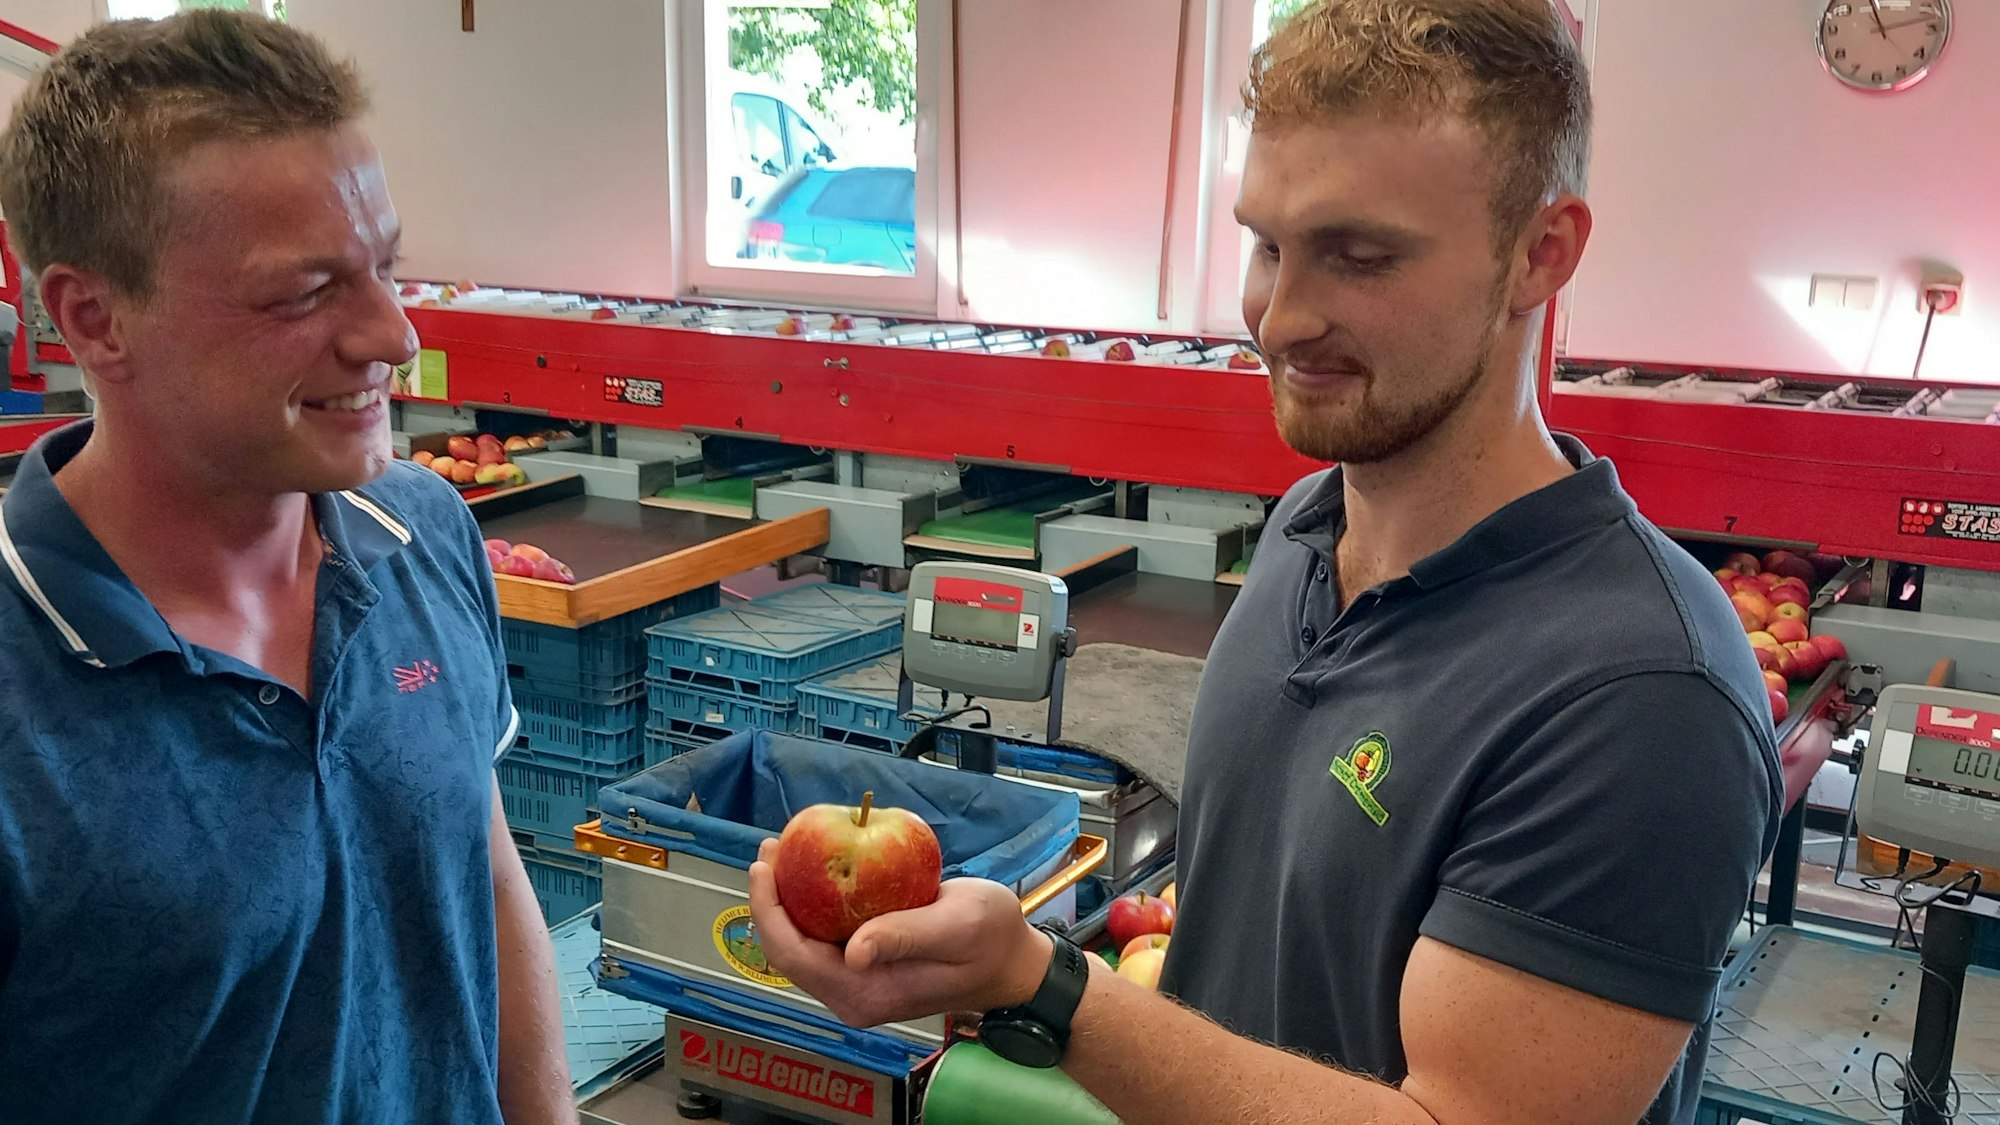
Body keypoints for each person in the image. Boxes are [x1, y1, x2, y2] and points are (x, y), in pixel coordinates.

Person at [747, 1, 1783, 1122]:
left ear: (1540, 253)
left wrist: (1048, 988)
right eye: (1266, 244)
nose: (1278, 317)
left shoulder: (1638, 697)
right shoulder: (1303, 534)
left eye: (1358, 256)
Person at [0, 13, 574, 1124]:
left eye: (386, 268)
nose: (395, 335)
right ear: (93, 316)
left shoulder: (422, 533)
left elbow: (484, 880)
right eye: (304, 294)